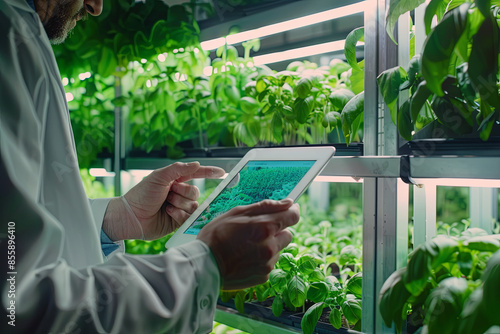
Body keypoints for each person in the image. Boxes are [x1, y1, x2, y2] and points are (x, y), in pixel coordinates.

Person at [0, 0, 300, 332]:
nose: (97, 7)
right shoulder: (8, 32)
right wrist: (205, 267)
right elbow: (18, 308)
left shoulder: (19, 31)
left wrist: (117, 217)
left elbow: (17, 229)